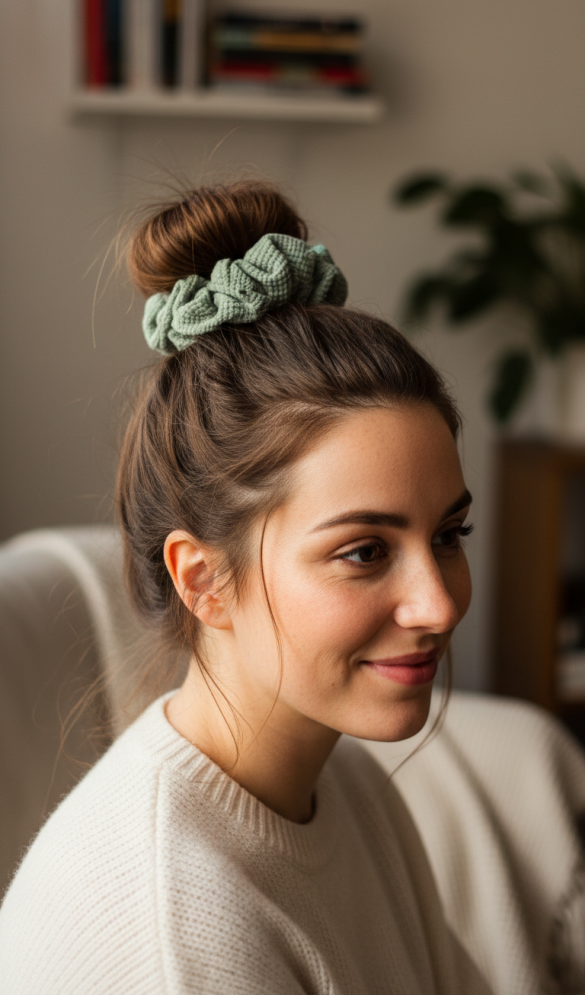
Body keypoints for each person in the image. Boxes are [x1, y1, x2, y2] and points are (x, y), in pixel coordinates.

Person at [0, 181, 584, 994]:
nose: (440, 605)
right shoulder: (177, 942)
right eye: (363, 552)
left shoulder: (340, 784)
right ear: (203, 580)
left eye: (448, 535)